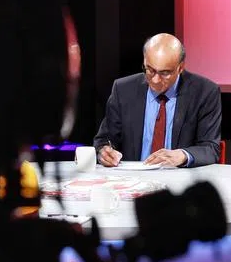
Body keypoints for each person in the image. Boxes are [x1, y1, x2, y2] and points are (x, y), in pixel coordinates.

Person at [92, 33, 222, 168]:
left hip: (179, 180)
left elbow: (210, 148)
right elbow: (103, 140)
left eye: (165, 73)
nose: (155, 80)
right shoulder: (123, 90)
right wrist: (104, 152)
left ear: (180, 68)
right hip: (133, 179)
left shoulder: (204, 92)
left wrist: (183, 155)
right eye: (150, 70)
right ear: (144, 61)